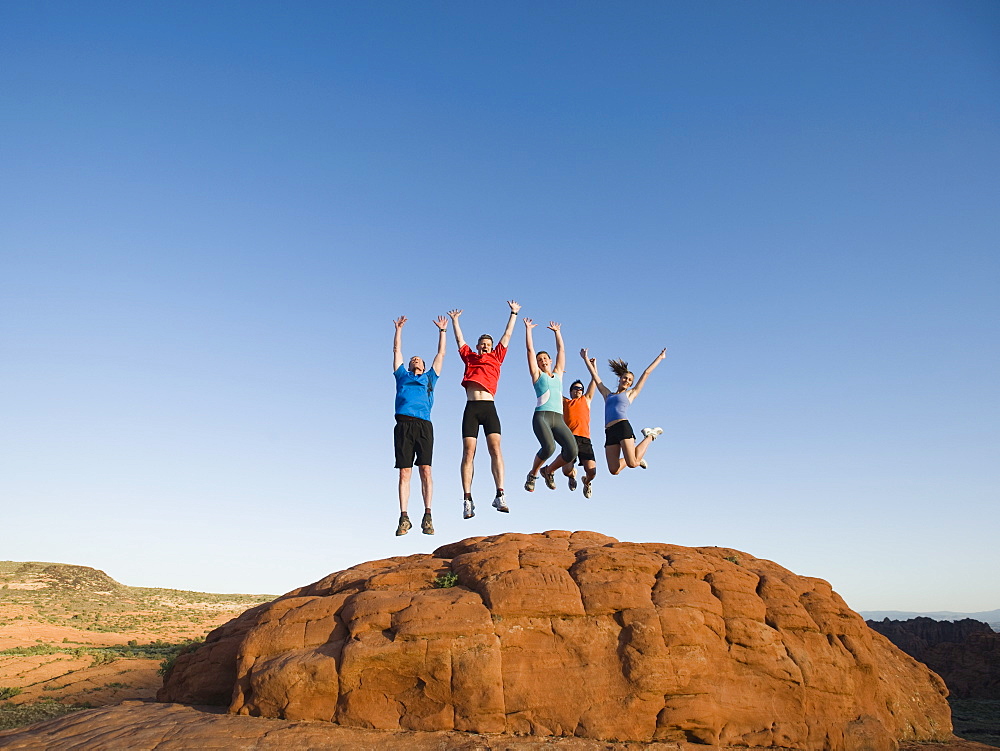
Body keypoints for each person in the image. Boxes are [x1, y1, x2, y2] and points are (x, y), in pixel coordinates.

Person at [448, 301, 520, 519]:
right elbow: (460, 340)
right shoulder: (469, 356)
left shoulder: (497, 356)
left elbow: (507, 335)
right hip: (471, 407)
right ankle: (467, 499)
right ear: (478, 346)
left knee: (495, 449)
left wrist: (513, 313)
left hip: (489, 406)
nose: (485, 346)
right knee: (468, 452)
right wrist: (455, 321)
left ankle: (500, 494)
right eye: (482, 343)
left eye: (488, 343)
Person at [392, 315, 447, 536]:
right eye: (412, 359)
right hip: (403, 426)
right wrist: (399, 330)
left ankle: (428, 515)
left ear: (423, 367)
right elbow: (397, 351)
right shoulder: (402, 376)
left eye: (419, 360)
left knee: (425, 470)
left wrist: (442, 331)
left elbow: (441, 354)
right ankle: (404, 518)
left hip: (424, 426)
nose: (415, 360)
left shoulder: (429, 379)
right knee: (405, 473)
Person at [581, 347, 667, 475]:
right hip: (609, 431)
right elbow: (595, 377)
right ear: (620, 379)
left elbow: (646, 373)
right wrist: (586, 359)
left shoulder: (630, 394)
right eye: (625, 378)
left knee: (633, 464)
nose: (627, 381)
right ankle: (635, 456)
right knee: (614, 470)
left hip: (622, 427)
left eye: (630, 380)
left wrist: (660, 357)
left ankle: (650, 436)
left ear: (631, 384)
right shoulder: (607, 395)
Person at [523, 319, 577, 493]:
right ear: (538, 364)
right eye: (540, 360)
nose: (543, 361)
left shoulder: (559, 374)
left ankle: (549, 471)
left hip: (558, 419)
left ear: (550, 360)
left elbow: (561, 350)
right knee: (550, 447)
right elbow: (530, 350)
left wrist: (557, 332)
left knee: (572, 451)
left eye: (545, 358)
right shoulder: (537, 375)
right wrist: (528, 330)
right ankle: (533, 474)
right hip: (542, 417)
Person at [561, 377, 598, 498]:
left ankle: (586, 482)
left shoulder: (586, 400)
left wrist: (593, 367)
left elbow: (594, 382)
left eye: (580, 389)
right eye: (575, 388)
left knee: (592, 472)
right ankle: (572, 475)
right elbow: (553, 389)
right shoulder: (565, 402)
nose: (578, 390)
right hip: (569, 439)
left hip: (584, 439)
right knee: (566, 471)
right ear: (570, 391)